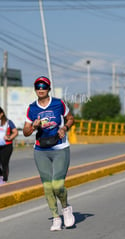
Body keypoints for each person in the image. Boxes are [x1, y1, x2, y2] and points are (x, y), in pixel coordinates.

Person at [22, 76, 76, 231]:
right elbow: (26, 132)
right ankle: (56, 217)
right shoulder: (32, 108)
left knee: (58, 185)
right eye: (37, 86)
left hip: (60, 148)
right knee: (47, 187)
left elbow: (70, 119)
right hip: (41, 150)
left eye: (43, 86)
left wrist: (64, 128)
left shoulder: (58, 103)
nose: (40, 89)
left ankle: (66, 208)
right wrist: (33, 125)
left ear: (49, 89)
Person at [0, 107, 18, 185]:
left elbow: (15, 132)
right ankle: (0, 175)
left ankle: (4, 179)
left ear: (1, 114)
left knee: (4, 163)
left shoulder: (8, 122)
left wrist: (10, 137)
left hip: (6, 146)